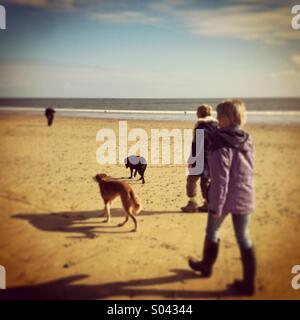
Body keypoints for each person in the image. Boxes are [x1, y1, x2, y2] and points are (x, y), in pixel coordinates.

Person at [188, 99, 256, 295]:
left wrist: (215, 205)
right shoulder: (247, 138)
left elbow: (221, 178)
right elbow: (249, 170)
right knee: (243, 238)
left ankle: (206, 266)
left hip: (224, 198)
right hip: (245, 194)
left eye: (219, 115)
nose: (216, 119)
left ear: (228, 117)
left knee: (212, 232)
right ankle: (249, 284)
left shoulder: (220, 141)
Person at [181, 104, 217, 213]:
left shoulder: (201, 127)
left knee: (191, 180)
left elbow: (197, 146)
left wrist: (192, 159)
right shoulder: (216, 126)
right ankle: (207, 203)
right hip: (212, 157)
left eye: (197, 112)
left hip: (200, 157)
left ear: (200, 113)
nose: (196, 114)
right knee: (205, 181)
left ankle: (192, 203)